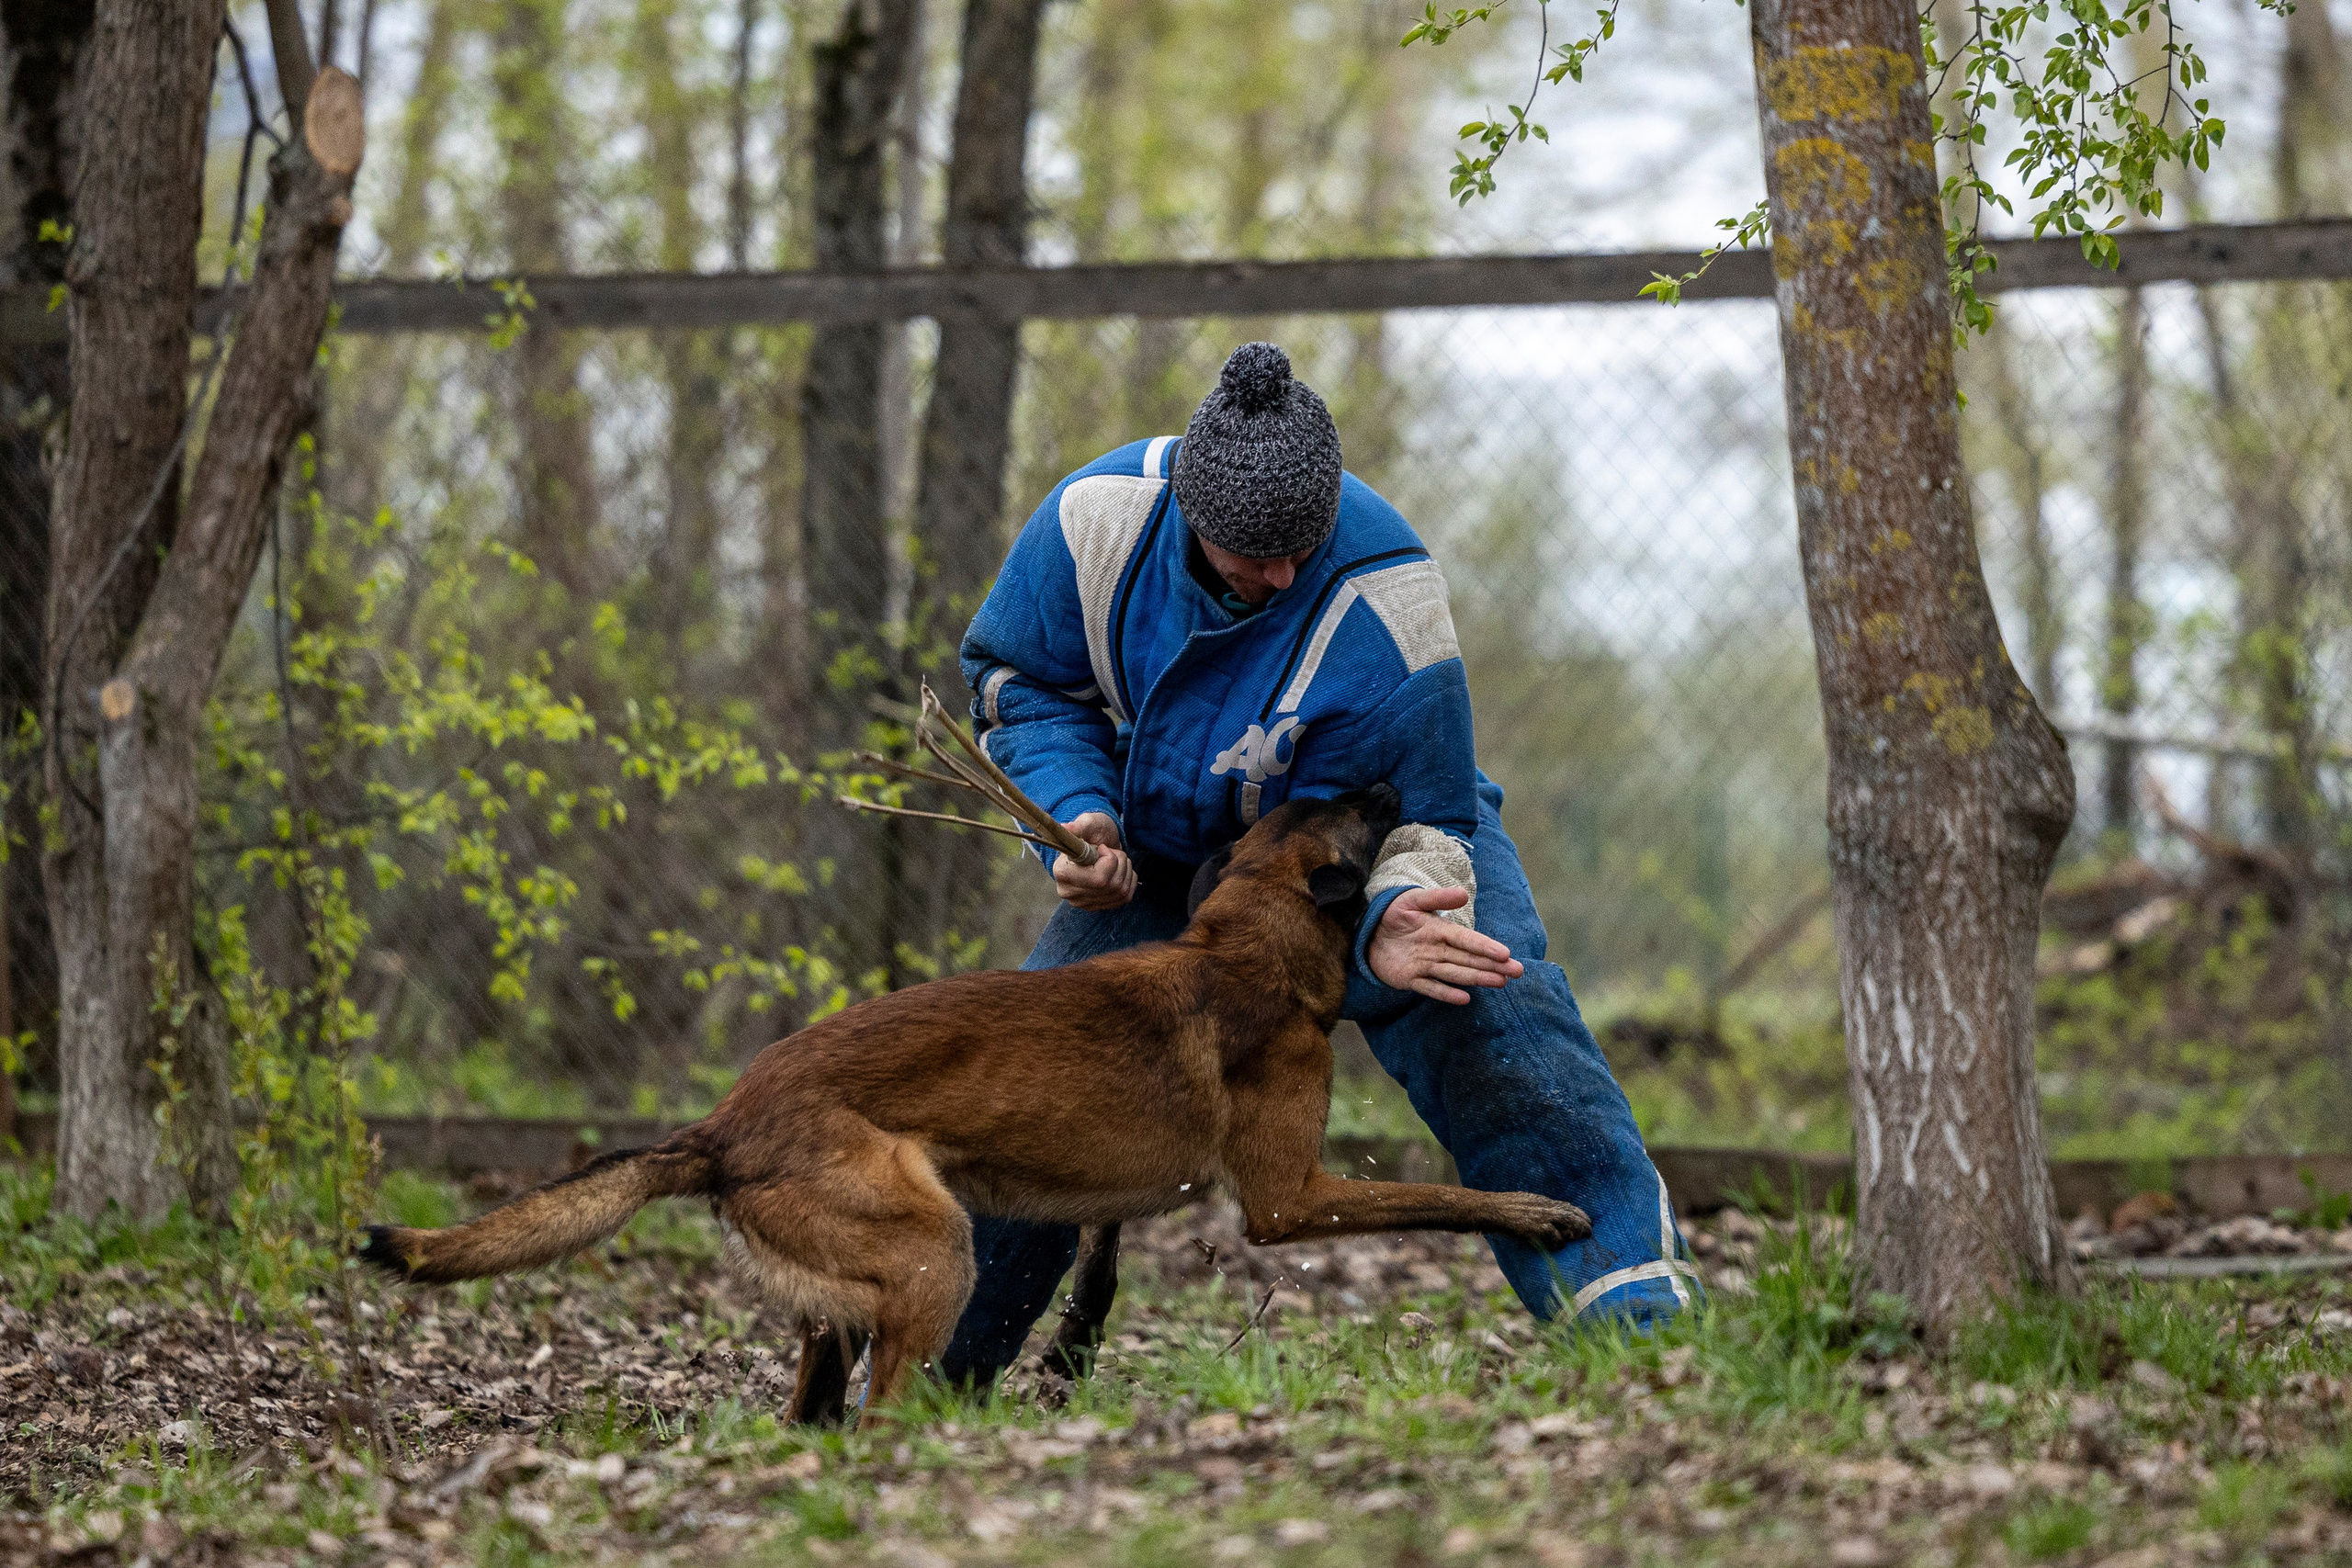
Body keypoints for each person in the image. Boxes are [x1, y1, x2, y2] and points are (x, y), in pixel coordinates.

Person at [944, 342, 1697, 1385]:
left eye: (1304, 545)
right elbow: (1020, 687)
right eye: (1254, 553)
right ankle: (936, 1382)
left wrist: (1390, 913)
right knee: (1038, 1067)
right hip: (1158, 849)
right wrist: (1079, 821)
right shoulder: (1095, 521)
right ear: (1190, 516)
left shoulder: (1391, 589)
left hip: (1374, 837)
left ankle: (1641, 1331)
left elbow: (1433, 805)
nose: (1284, 574)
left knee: (1494, 1010)